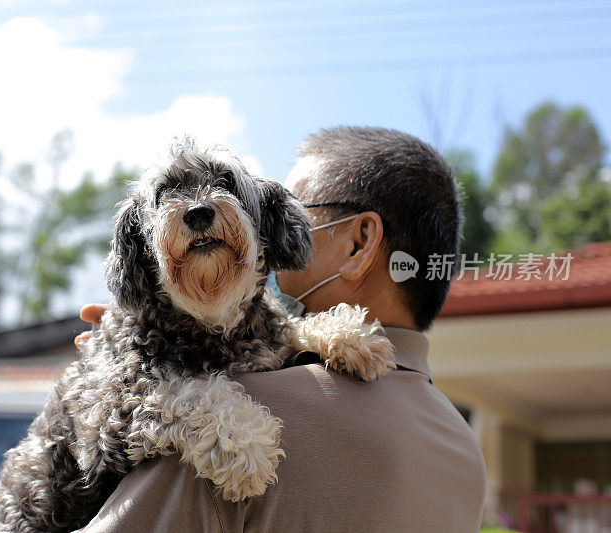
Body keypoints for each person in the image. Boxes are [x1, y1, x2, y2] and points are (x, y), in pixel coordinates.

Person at [76, 126, 486, 532]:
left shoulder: (229, 419)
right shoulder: (465, 450)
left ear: (359, 244)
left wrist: (143, 380)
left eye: (297, 214)